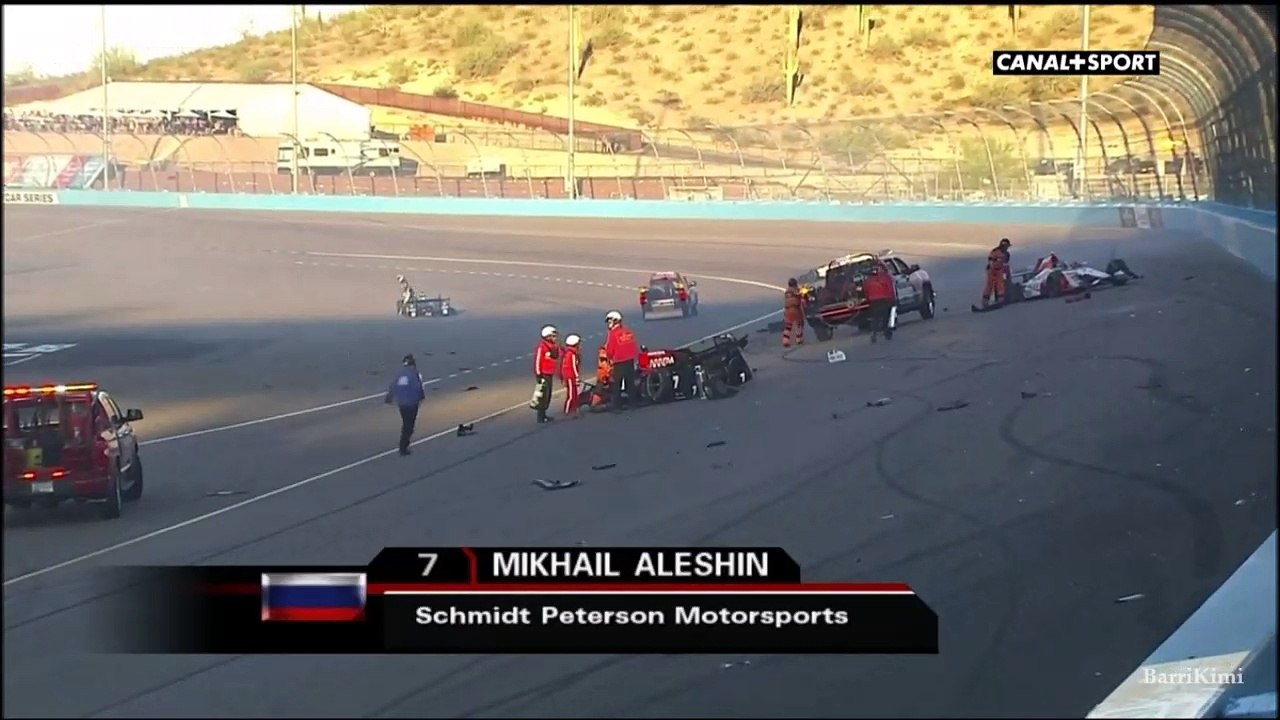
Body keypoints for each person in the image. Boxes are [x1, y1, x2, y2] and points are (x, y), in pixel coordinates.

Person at [384, 354, 426, 456]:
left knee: (406, 423)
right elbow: (418, 387)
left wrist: (389, 397)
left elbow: (393, 386)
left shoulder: (400, 374)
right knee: (409, 425)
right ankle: (403, 446)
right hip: (411, 403)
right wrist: (421, 397)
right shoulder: (415, 374)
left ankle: (404, 444)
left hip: (402, 403)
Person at [603, 310, 638, 412]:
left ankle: (617, 407)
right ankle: (633, 404)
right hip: (630, 360)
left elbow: (609, 349)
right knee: (630, 383)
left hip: (619, 362)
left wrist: (609, 358)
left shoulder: (613, 334)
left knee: (617, 385)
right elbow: (633, 345)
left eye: (610, 321)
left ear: (615, 321)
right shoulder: (628, 331)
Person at [530, 325, 560, 423]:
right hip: (543, 374)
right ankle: (541, 416)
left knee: (548, 395)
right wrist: (538, 374)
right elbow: (538, 360)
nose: (555, 338)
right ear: (548, 336)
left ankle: (544, 414)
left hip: (549, 373)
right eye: (553, 336)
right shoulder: (542, 347)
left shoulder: (553, 346)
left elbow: (556, 356)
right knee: (543, 396)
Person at [862, 261, 897, 343]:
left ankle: (874, 333)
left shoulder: (868, 280)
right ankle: (886, 332)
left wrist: (868, 299)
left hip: (874, 300)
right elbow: (890, 288)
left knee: (875, 318)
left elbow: (866, 291)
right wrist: (893, 299)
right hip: (884, 299)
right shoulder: (886, 277)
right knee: (885, 317)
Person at [981, 238, 1012, 307]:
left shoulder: (1007, 254)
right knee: (989, 286)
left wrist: (1006, 273)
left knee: (1000, 286)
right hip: (991, 271)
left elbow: (1006, 263)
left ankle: (1000, 301)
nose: (1007, 248)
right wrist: (992, 267)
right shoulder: (995, 251)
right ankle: (985, 303)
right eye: (1006, 246)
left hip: (999, 271)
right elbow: (990, 260)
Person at [560, 333, 583, 417]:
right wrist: (577, 377)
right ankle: (567, 411)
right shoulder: (571, 354)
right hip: (570, 376)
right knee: (571, 394)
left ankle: (574, 409)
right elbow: (573, 366)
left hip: (570, 376)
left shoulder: (570, 353)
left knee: (575, 393)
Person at [782, 278, 805, 348]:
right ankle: (799, 339)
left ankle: (785, 341)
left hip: (787, 310)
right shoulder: (796, 290)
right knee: (799, 324)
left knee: (788, 326)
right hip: (795, 309)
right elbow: (801, 296)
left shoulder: (786, 291)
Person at [590, 345, 612, 409]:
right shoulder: (603, 357)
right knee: (599, 390)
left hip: (607, 376)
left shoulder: (606, 358)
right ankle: (595, 404)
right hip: (603, 376)